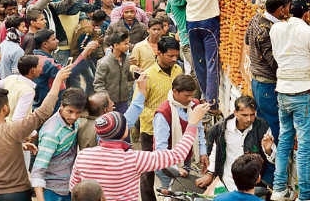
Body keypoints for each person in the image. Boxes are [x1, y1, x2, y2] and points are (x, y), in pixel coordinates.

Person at [68, 103, 211, 201]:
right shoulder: (134, 159)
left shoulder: (83, 156)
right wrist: (192, 124)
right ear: (123, 132)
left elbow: (74, 189)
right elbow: (178, 155)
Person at [0, 66, 72, 201]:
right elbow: (43, 112)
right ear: (5, 108)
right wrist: (57, 81)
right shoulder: (13, 130)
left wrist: (17, 146)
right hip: (17, 193)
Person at [270, 0, 310, 201]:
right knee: (304, 148)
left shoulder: (276, 28)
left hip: (282, 92)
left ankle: (279, 189)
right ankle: (305, 194)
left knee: (284, 141)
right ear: (306, 13)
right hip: (301, 94)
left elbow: (277, 56)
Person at [178, 0, 240, 110]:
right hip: (209, 22)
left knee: (199, 63)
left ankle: (206, 96)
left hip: (191, 22)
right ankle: (211, 102)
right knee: (212, 62)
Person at [196, 96, 275, 192]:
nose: (249, 119)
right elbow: (216, 151)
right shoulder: (222, 129)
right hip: (227, 182)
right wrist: (210, 173)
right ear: (235, 113)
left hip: (252, 184)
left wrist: (268, 150)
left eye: (252, 115)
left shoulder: (262, 127)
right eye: (244, 115)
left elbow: (273, 159)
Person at [138, 37, 184, 201]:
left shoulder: (178, 70)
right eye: (170, 56)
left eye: (176, 55)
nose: (174, 59)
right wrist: (160, 117)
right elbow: (138, 105)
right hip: (151, 131)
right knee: (148, 170)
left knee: (173, 167)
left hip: (174, 130)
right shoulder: (147, 76)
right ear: (159, 53)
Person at [245, 0, 291, 141]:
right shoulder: (267, 31)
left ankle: (261, 151)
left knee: (262, 122)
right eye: (288, 7)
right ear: (281, 9)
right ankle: (272, 154)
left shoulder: (256, 19)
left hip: (258, 81)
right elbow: (274, 62)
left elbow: (247, 41)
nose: (289, 11)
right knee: (273, 124)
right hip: (267, 84)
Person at [153, 75, 207, 191]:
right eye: (187, 95)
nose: (190, 99)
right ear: (175, 92)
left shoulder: (194, 105)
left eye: (192, 95)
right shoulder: (163, 113)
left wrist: (203, 152)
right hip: (166, 165)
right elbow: (160, 149)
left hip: (185, 160)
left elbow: (199, 129)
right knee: (170, 192)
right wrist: (175, 168)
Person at [31, 88, 86, 201]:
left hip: (69, 187)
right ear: (61, 106)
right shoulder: (52, 133)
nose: (74, 117)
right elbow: (38, 170)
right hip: (53, 192)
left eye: (78, 113)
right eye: (70, 111)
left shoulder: (74, 122)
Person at [93, 32, 133, 114]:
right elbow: (98, 84)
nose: (128, 46)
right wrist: (107, 100)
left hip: (123, 101)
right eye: (125, 44)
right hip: (109, 103)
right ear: (116, 45)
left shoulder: (126, 60)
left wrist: (136, 74)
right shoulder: (104, 63)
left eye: (128, 43)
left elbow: (128, 76)